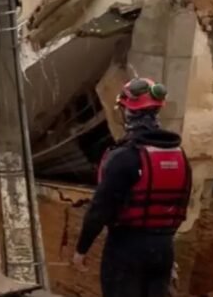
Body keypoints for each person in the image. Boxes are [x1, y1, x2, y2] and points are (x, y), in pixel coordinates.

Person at [73, 78, 192, 297]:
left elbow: (99, 209)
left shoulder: (124, 157)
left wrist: (82, 248)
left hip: (125, 249)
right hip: (163, 249)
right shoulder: (179, 156)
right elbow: (180, 206)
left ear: (127, 112)